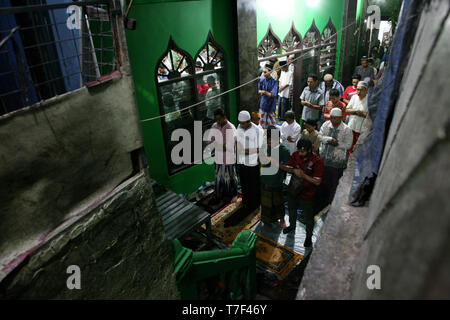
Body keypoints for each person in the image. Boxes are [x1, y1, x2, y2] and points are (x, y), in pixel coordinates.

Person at [279, 139, 324, 248]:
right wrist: (294, 171)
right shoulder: (295, 155)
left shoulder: (317, 161)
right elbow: (289, 168)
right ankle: (292, 226)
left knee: (308, 218)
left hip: (308, 194)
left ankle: (308, 236)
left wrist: (303, 175)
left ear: (309, 150)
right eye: (299, 151)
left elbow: (317, 182)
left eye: (303, 152)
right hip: (293, 190)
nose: (300, 154)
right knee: (291, 210)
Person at [316, 108, 353, 209]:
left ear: (341, 118)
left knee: (334, 183)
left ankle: (331, 203)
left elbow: (348, 145)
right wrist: (328, 140)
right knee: (322, 181)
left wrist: (337, 144)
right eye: (331, 117)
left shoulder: (346, 129)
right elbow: (319, 136)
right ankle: (321, 201)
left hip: (337, 161)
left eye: (335, 118)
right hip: (324, 158)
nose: (333, 120)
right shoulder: (326, 125)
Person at [260, 126, 291, 228]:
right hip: (265, 179)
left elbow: (289, 169)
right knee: (266, 202)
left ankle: (282, 219)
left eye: (271, 141)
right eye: (268, 141)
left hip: (276, 180)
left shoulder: (284, 150)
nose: (269, 143)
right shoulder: (265, 147)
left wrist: (275, 162)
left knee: (278, 202)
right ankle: (266, 219)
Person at [206, 108, 238, 206]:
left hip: (229, 158)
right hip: (219, 157)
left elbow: (227, 147)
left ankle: (234, 194)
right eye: (216, 119)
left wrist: (217, 144)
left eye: (219, 119)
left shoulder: (231, 128)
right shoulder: (215, 126)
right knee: (219, 177)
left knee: (230, 177)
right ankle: (220, 194)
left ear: (225, 117)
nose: (218, 121)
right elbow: (209, 141)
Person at [235, 110, 263, 215]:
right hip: (242, 162)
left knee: (254, 186)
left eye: (243, 123)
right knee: (244, 183)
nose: (241, 125)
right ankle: (245, 200)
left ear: (248, 121)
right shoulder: (239, 127)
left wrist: (245, 151)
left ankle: (256, 205)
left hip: (252, 163)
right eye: (240, 123)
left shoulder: (258, 131)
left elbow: (259, 148)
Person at [346, 81, 369, 156]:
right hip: (352, 126)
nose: (358, 92)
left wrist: (362, 114)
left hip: (362, 129)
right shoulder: (354, 97)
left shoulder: (369, 99)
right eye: (357, 89)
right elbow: (346, 110)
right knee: (349, 147)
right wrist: (355, 111)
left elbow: (371, 116)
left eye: (361, 90)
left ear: (366, 90)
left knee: (359, 149)